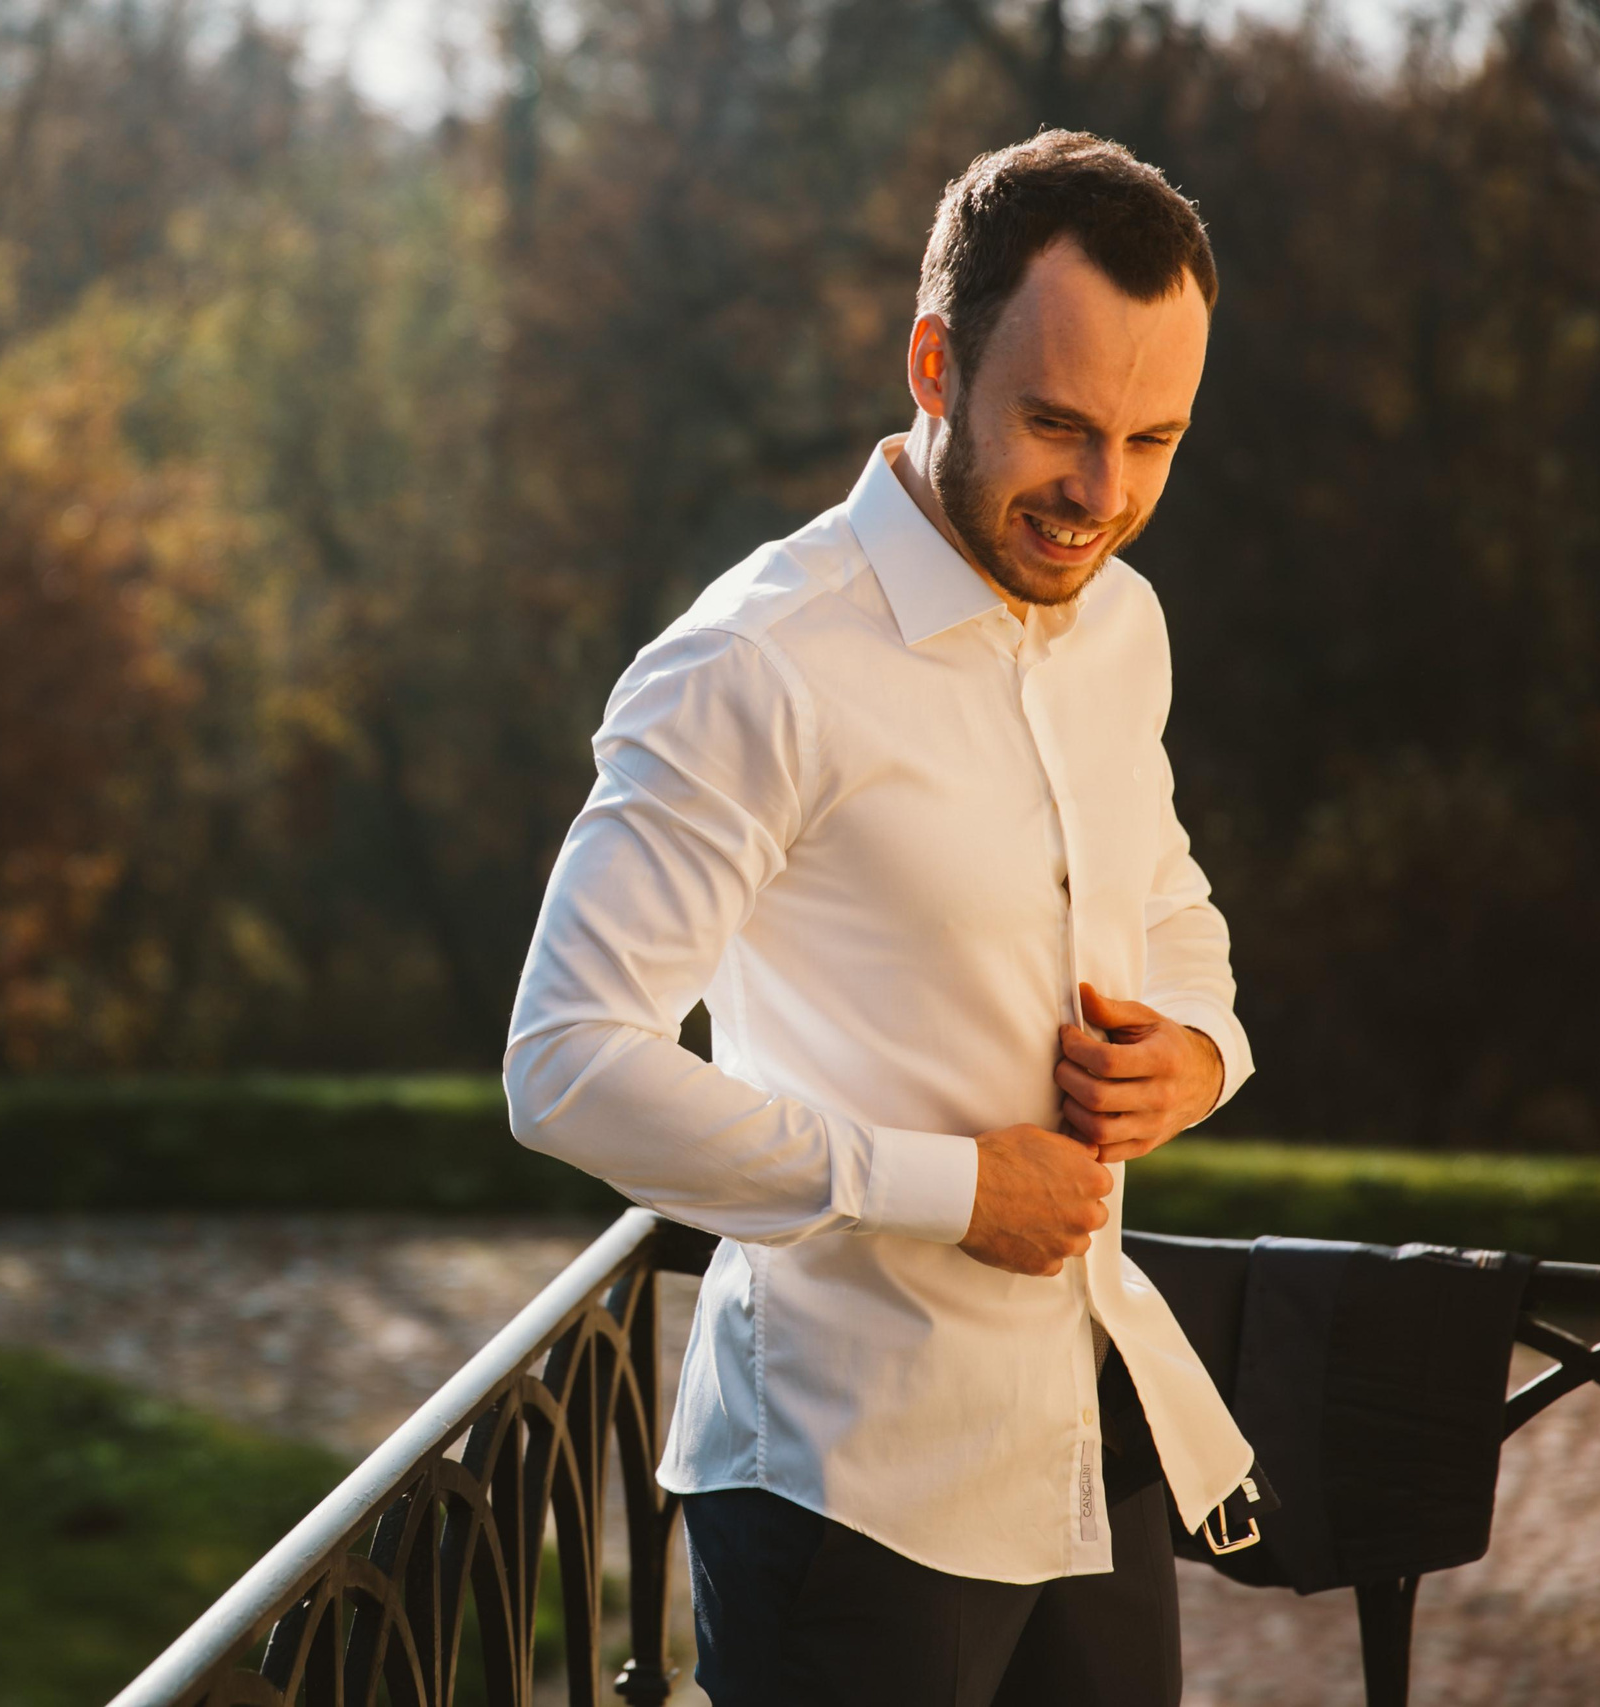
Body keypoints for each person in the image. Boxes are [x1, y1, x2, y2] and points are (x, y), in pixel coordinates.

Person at [501, 130, 1258, 1705]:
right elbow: (564, 1064)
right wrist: (948, 1187)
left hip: (1087, 1426)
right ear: (935, 359)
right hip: (847, 1490)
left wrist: (1197, 1050)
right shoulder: (752, 667)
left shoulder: (1121, 621)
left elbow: (1171, 903)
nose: (1101, 496)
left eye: (1153, 439)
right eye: (1057, 424)